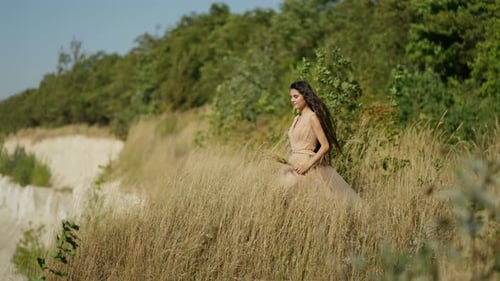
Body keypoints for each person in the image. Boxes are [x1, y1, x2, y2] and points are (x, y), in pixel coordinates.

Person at [280, 80, 360, 203]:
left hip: (307, 164)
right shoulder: (297, 118)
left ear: (305, 96)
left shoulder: (312, 117)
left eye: (296, 96)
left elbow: (325, 146)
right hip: (293, 163)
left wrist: (307, 165)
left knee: (316, 200)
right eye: (291, 97)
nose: (292, 100)